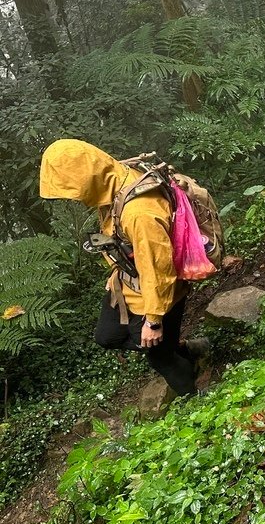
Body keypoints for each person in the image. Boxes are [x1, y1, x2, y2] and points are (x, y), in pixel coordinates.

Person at [39, 139, 205, 398]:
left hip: (158, 294)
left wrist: (153, 320)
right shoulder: (113, 180)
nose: (75, 200)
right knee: (107, 336)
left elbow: (158, 269)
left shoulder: (139, 213)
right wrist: (117, 271)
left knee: (159, 357)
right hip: (127, 282)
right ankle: (180, 348)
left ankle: (193, 395)